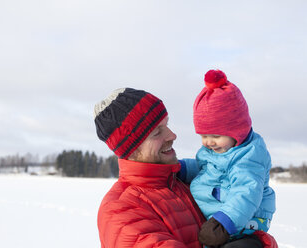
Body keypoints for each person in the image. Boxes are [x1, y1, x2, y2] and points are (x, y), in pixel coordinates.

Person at [94, 87, 277, 248]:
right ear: (131, 148)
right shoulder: (122, 211)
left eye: (167, 125)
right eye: (157, 132)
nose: (172, 135)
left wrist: (259, 242)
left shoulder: (182, 183)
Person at [179, 70, 276, 247]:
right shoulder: (218, 150)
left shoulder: (248, 157)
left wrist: (224, 222)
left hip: (244, 221)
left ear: (237, 131)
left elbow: (246, 193)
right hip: (220, 219)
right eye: (203, 135)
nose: (208, 142)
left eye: (215, 135)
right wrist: (182, 168)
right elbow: (205, 169)